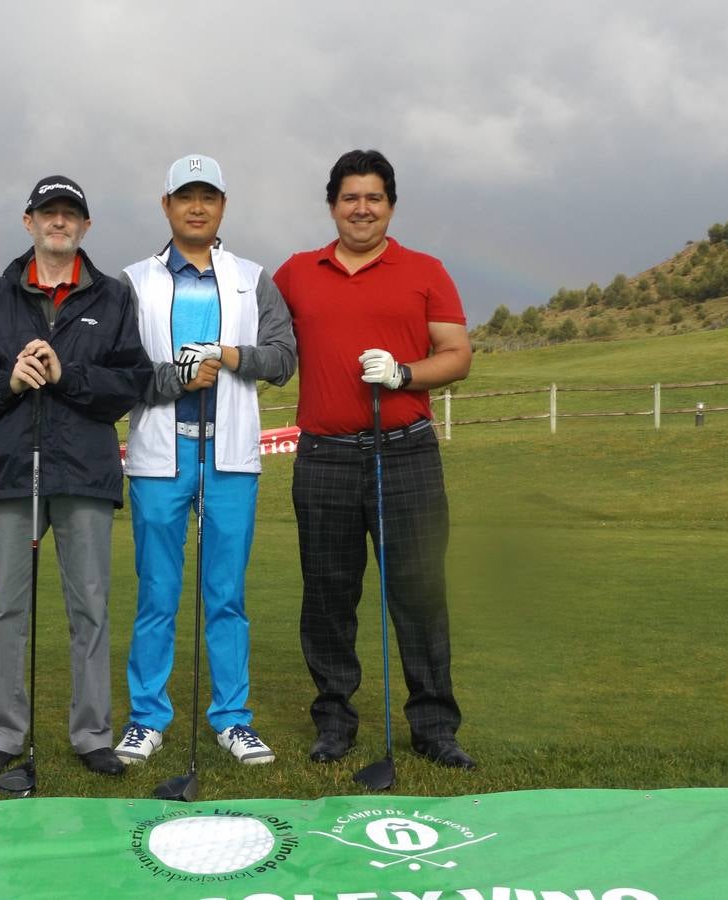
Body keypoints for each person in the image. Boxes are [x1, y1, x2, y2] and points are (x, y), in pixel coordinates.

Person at [272, 149, 476, 770]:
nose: (362, 208)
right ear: (332, 204)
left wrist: (406, 372)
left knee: (419, 591)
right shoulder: (295, 273)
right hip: (325, 456)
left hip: (405, 453)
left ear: (390, 204)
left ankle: (434, 727)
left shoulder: (425, 270)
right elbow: (266, 342)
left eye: (374, 198)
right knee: (329, 595)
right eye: (350, 197)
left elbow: (457, 354)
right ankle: (334, 723)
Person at [0, 175, 152, 781]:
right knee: (7, 608)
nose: (58, 222)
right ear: (28, 222)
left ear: (85, 226)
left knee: (89, 607)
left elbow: (129, 384)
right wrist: (8, 382)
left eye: (70, 214)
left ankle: (92, 736)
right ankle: (4, 737)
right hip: (13, 471)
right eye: (48, 213)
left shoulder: (112, 297)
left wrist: (67, 375)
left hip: (84, 474)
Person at [114, 155, 296, 768]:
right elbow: (121, 374)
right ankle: (146, 718)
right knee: (158, 592)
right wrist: (176, 377)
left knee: (226, 592)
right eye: (185, 196)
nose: (197, 206)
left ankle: (232, 718)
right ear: (165, 206)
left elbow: (282, 357)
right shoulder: (132, 282)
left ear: (223, 205)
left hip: (231, 453)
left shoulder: (252, 278)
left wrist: (229, 355)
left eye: (208, 196)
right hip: (161, 455)